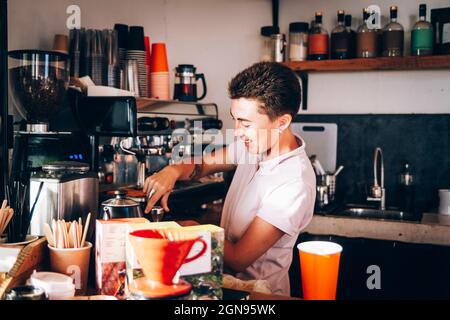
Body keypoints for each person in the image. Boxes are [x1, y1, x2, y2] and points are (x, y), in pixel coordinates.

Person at [143, 62, 316, 296]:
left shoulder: (293, 183)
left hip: (258, 296)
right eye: (235, 119)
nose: (237, 131)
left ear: (282, 122)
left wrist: (191, 229)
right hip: (224, 287)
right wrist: (172, 171)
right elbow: (203, 164)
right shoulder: (254, 144)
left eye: (246, 123)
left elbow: (238, 259)